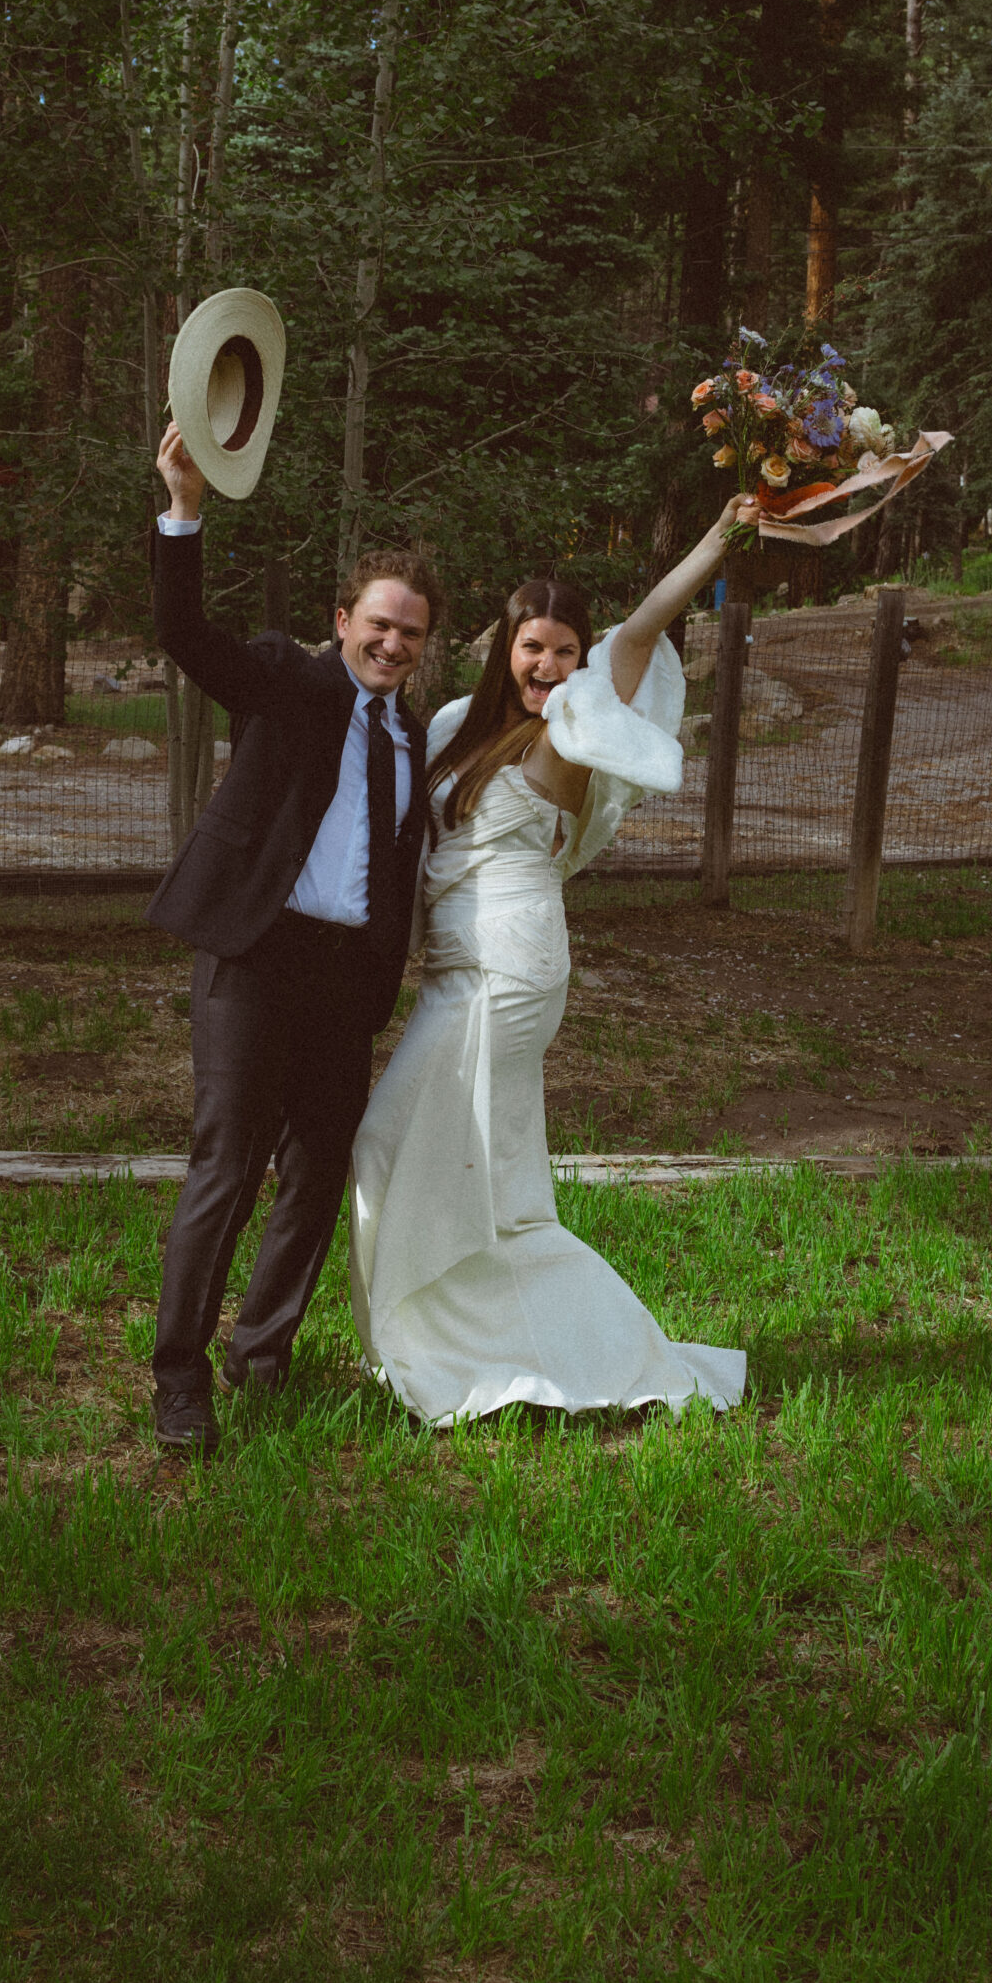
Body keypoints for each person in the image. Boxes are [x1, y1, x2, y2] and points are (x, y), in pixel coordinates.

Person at [348, 498, 758, 1428]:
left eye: (564, 650)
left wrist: (718, 535)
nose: (546, 665)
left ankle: (481, 1355)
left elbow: (646, 625)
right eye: (531, 647)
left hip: (508, 969)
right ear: (506, 650)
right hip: (458, 968)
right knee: (469, 1179)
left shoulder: (574, 726)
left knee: (392, 1148)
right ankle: (481, 1346)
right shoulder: (465, 726)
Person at [145, 420, 439, 1457]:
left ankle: (260, 1354)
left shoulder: (413, 736)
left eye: (409, 633)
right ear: (342, 620)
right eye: (378, 625)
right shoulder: (285, 678)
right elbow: (185, 633)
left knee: (318, 1173)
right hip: (255, 962)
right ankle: (179, 1375)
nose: (391, 644)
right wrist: (183, 508)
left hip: (342, 982)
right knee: (225, 1167)